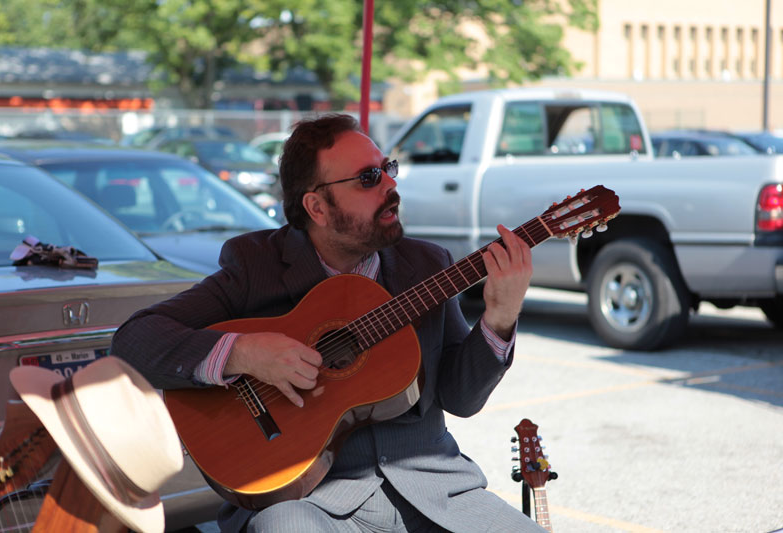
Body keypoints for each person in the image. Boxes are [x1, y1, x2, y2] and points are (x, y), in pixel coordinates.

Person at [111, 113, 541, 533]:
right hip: (307, 497)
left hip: (438, 494)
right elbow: (134, 341)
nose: (391, 184)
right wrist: (244, 353)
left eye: (387, 169)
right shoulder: (255, 265)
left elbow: (461, 398)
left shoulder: (427, 264)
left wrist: (499, 319)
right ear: (316, 206)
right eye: (368, 178)